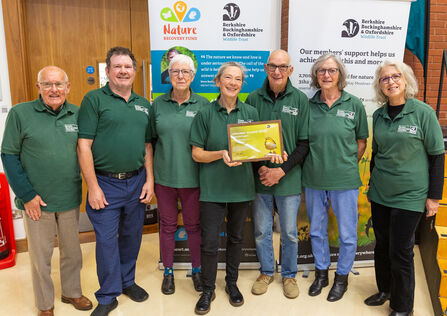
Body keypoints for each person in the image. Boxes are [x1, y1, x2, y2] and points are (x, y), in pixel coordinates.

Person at [1, 66, 92, 316]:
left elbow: (86, 151)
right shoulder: (21, 113)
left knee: (72, 252)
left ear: (68, 87)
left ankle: (72, 292)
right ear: (38, 87)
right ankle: (45, 304)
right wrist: (27, 195)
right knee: (40, 258)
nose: (54, 90)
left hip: (69, 197)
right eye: (48, 84)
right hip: (36, 202)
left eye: (59, 84)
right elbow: (8, 155)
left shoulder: (77, 113)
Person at [77, 47, 154, 316]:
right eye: (117, 66)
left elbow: (147, 145)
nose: (123, 71)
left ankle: (127, 281)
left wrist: (150, 180)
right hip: (105, 184)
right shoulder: (94, 100)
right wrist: (93, 187)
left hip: (137, 181)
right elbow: (83, 146)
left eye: (128, 67)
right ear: (107, 71)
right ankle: (108, 295)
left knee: (132, 236)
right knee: (107, 241)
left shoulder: (144, 104)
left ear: (134, 71)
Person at [365, 60, 444, 316]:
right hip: (380, 194)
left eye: (395, 76)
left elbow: (437, 156)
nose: (391, 82)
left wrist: (434, 197)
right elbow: (377, 155)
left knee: (401, 250)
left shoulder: (423, 113)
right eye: (384, 78)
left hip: (410, 196)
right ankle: (385, 290)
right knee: (382, 246)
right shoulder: (378, 116)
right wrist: (372, 184)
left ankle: (402, 306)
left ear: (406, 80)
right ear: (380, 85)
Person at [190, 62, 259, 315]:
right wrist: (221, 154)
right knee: (209, 243)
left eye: (238, 79)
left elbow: (258, 149)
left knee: (236, 239)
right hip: (213, 189)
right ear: (218, 81)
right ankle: (208, 289)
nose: (232, 83)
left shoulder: (251, 112)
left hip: (241, 188)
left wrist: (273, 152)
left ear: (242, 84)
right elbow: (197, 154)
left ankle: (231, 283)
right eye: (227, 78)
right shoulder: (205, 114)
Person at [302, 53, 368, 301]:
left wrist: (345, 161)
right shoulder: (309, 106)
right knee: (317, 231)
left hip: (345, 180)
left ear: (340, 74)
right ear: (315, 76)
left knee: (348, 234)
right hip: (314, 179)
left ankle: (341, 278)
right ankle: (321, 274)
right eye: (321, 71)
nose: (326, 75)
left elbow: (361, 141)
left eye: (331, 71)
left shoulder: (354, 104)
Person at [245, 49, 309, 299]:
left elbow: (304, 143)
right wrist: (260, 168)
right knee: (261, 231)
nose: (277, 71)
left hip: (288, 179)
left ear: (290, 70)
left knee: (290, 233)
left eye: (283, 66)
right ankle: (266, 271)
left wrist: (281, 171)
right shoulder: (252, 99)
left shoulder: (300, 100)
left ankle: (290, 275)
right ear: (265, 68)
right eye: (273, 66)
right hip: (260, 179)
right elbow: (247, 143)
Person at [150, 54, 209, 295]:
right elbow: (151, 142)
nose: (181, 76)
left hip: (193, 179)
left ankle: (196, 270)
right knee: (167, 226)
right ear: (169, 76)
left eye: (186, 72)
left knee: (194, 227)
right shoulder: (157, 105)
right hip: (164, 178)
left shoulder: (204, 105)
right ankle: (168, 272)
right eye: (176, 72)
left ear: (193, 76)